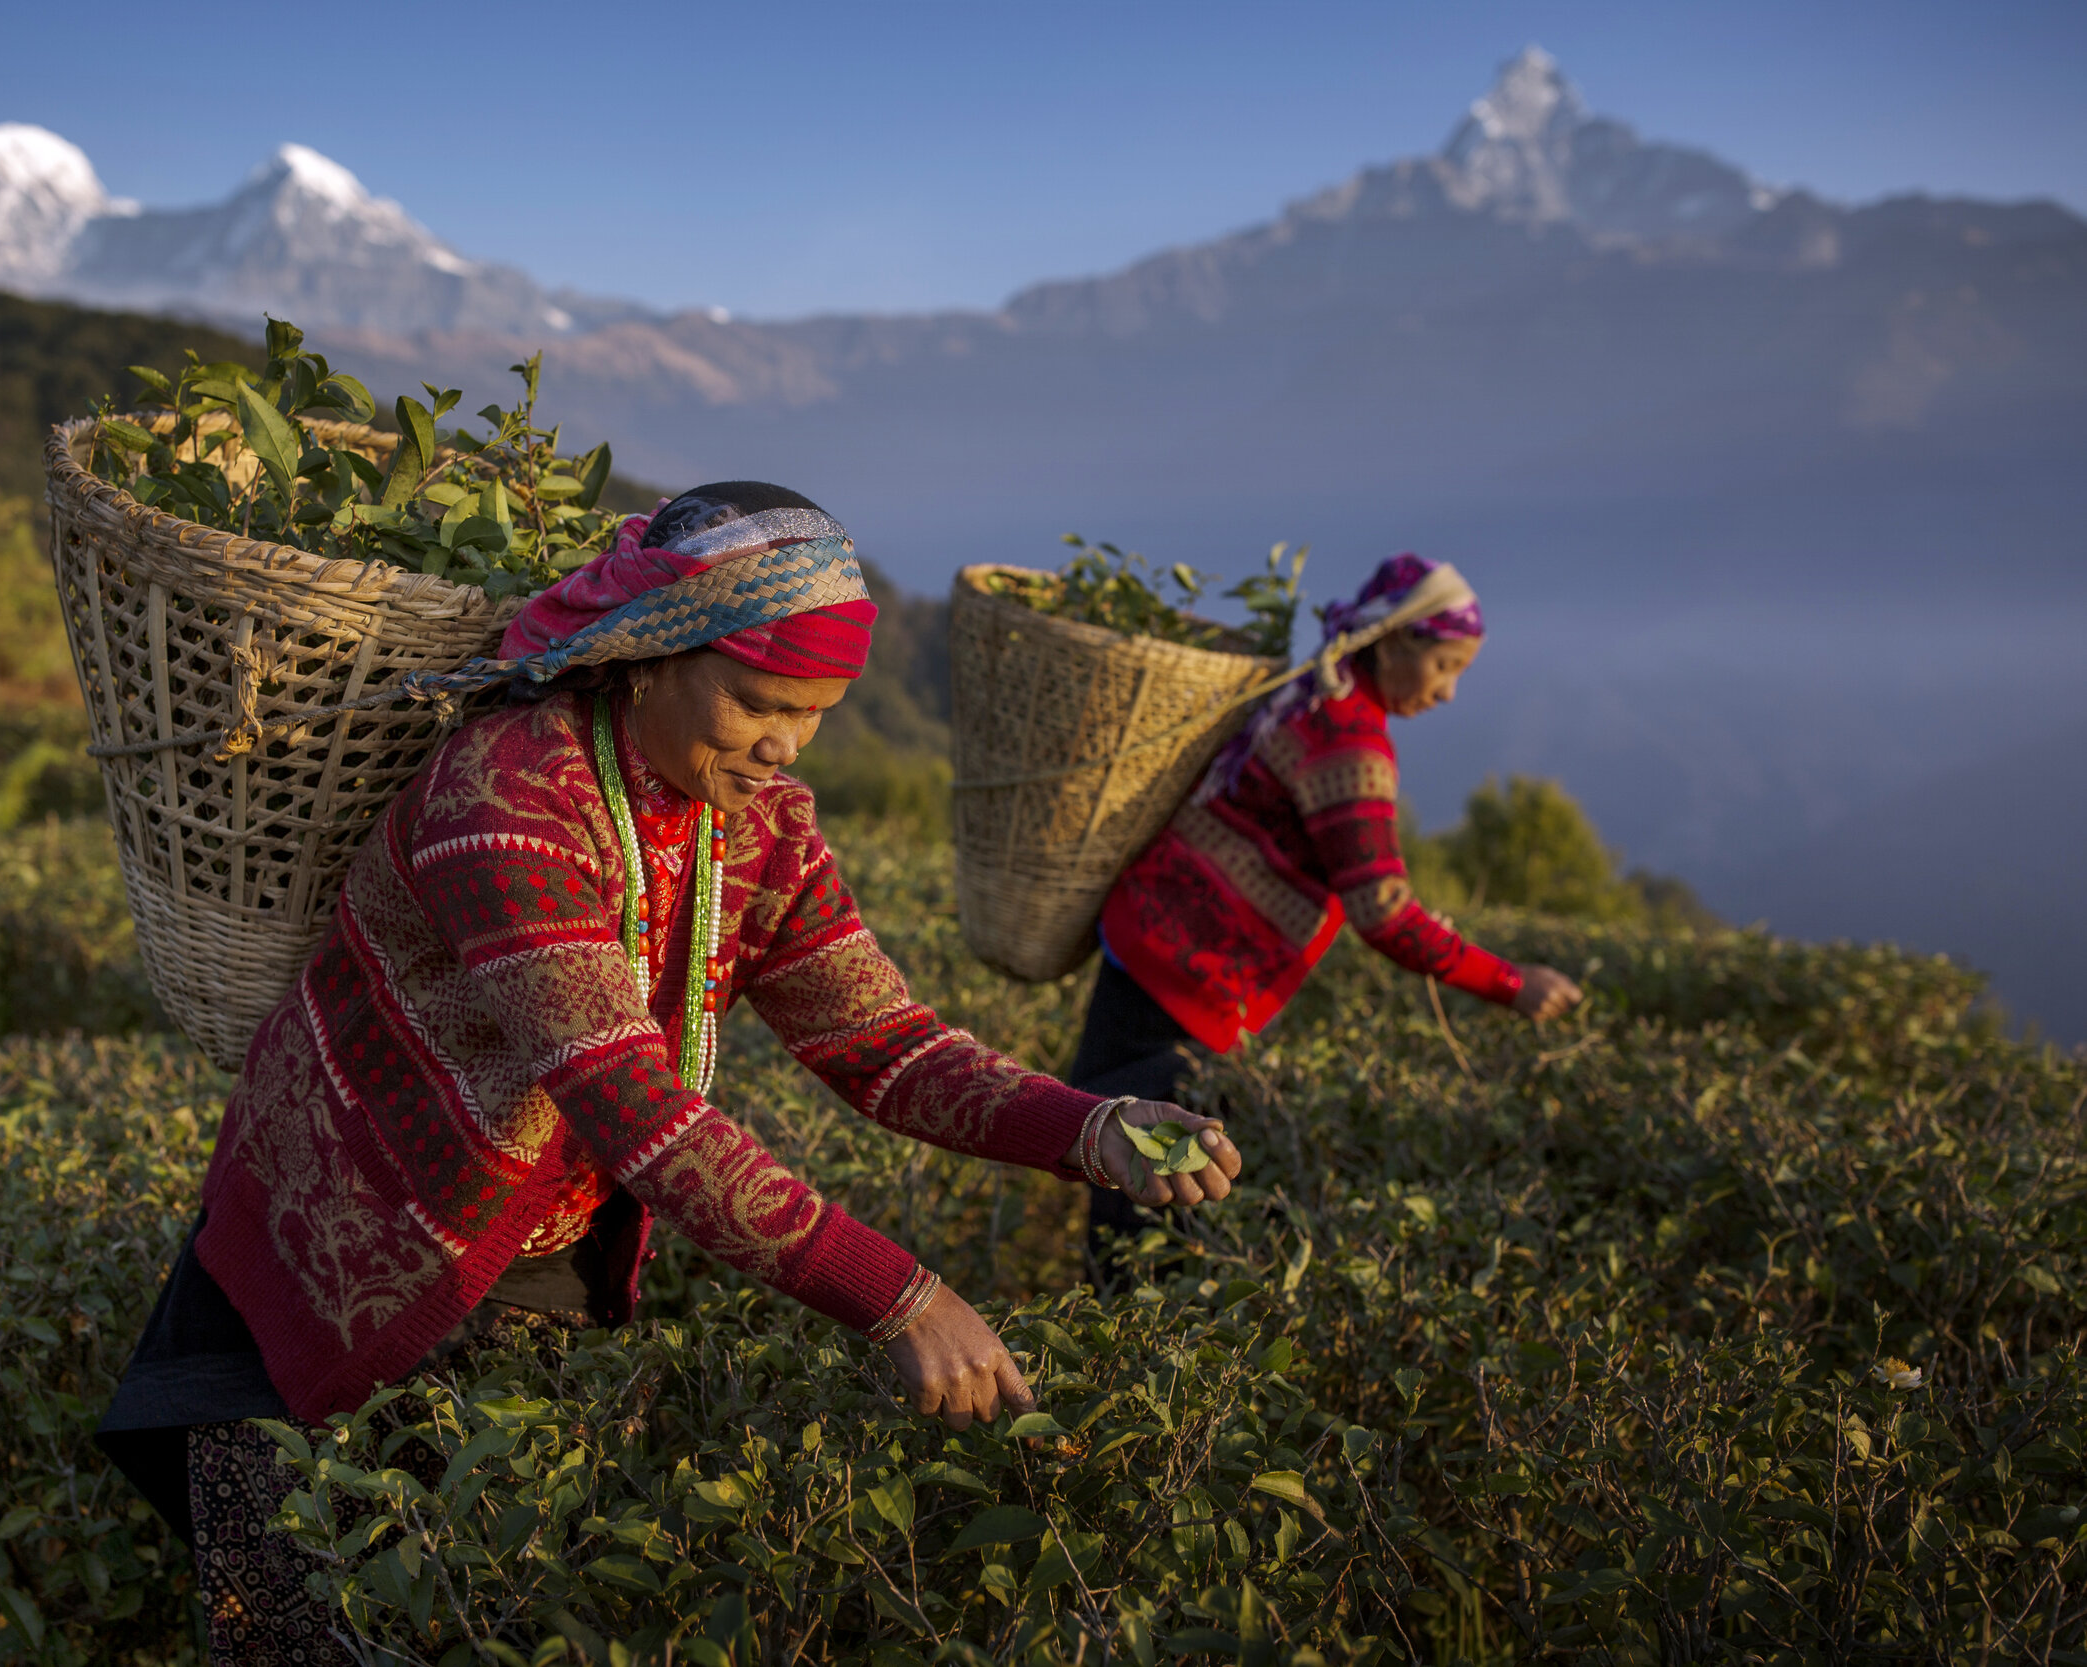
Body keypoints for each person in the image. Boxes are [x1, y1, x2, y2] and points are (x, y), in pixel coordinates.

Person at [96, 482, 1244, 1664]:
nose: (782, 743)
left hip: (541, 1270)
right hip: (337, 1244)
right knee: (287, 1629)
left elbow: (883, 1042)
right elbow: (631, 1104)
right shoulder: (505, 799)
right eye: (756, 701)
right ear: (646, 656)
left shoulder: (761, 825)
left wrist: (1087, 1126)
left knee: (474, 1613)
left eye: (814, 714)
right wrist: (897, 1294)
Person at [1077, 553, 1583, 1256]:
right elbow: (1384, 912)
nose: (1449, 693)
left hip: (1146, 938)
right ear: (1397, 640)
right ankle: (1131, 1345)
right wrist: (1511, 981)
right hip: (1189, 983)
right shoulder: (1350, 740)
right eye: (1445, 667)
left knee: (1118, 1153)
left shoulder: (1315, 695)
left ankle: (1120, 1327)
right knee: (1152, 1197)